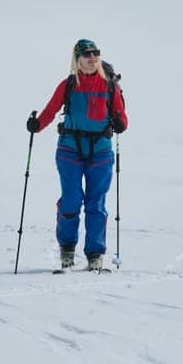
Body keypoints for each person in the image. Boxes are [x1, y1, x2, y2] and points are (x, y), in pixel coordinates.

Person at [27, 38, 128, 270]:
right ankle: (67, 248)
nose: (92, 58)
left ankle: (95, 254)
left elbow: (122, 115)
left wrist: (121, 122)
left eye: (95, 54)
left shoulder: (109, 86)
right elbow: (50, 111)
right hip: (69, 150)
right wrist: (37, 124)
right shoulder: (69, 85)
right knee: (71, 199)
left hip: (101, 152)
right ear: (77, 59)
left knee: (96, 203)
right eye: (87, 55)